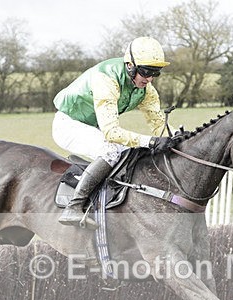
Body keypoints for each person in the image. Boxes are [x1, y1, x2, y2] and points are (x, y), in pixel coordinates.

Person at [52, 36, 176, 230]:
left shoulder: (146, 90)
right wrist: (150, 141)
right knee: (111, 151)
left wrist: (178, 137)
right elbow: (111, 132)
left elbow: (159, 125)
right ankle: (74, 206)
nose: (150, 78)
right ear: (130, 65)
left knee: (130, 154)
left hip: (93, 127)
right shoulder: (107, 78)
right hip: (68, 124)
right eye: (146, 71)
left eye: (155, 73)